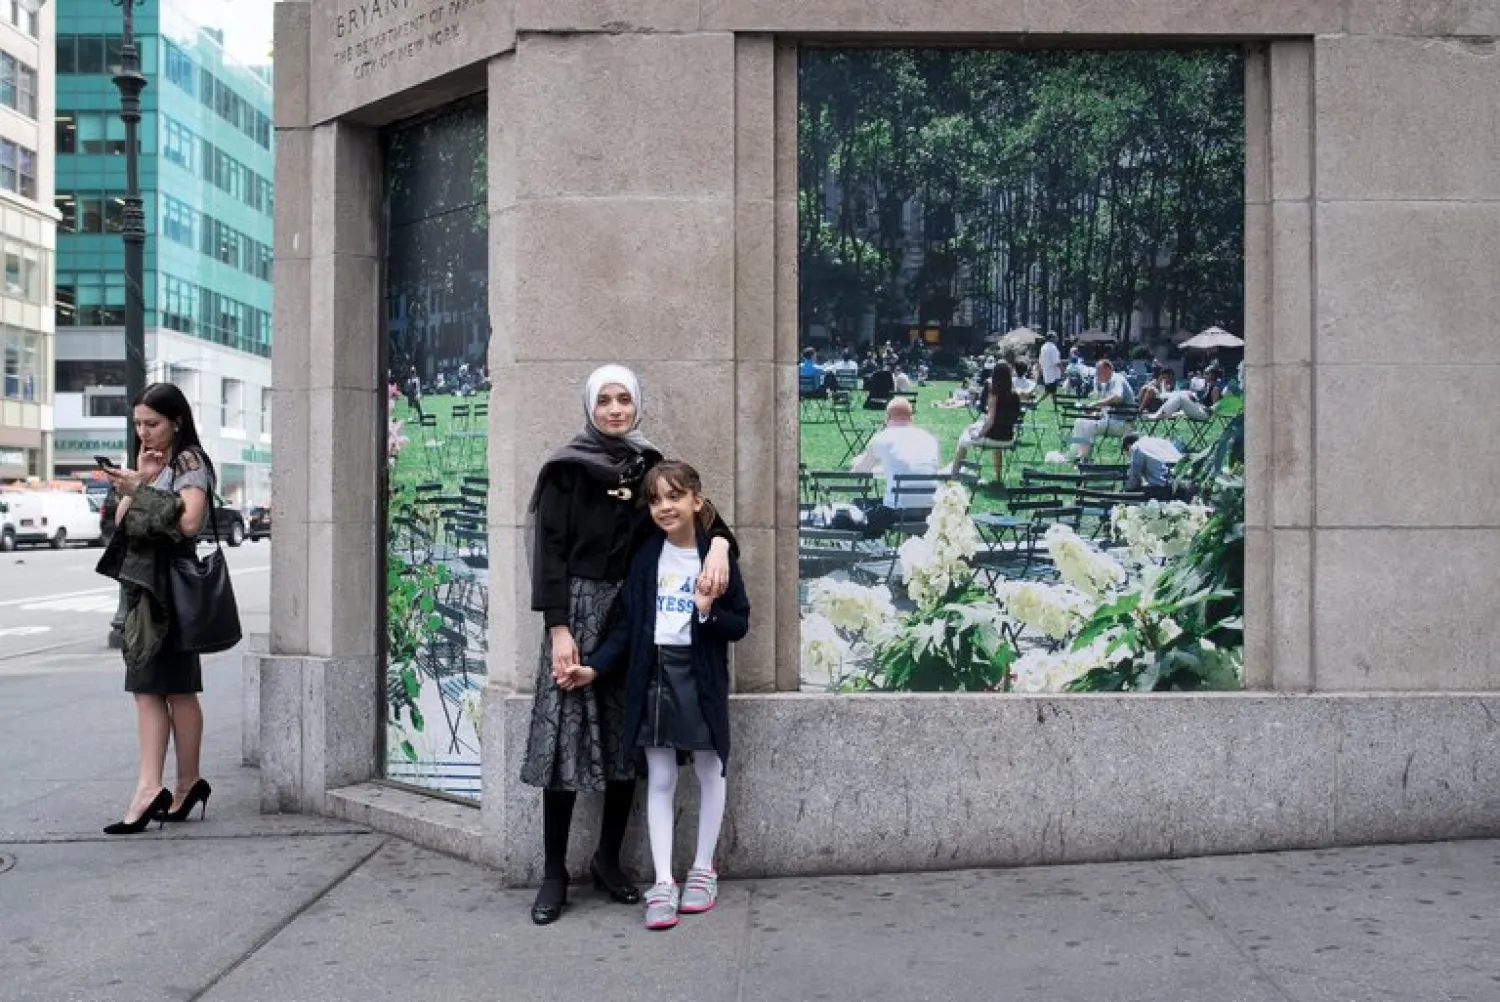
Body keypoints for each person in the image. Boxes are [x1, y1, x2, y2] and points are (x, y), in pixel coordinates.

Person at [522, 364, 736, 926]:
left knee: (626, 743)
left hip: (635, 618)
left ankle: (608, 861)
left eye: (624, 399)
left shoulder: (648, 464)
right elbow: (548, 556)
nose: (615, 410)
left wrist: (717, 550)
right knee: (566, 746)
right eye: (604, 401)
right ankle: (553, 873)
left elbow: (702, 517)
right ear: (590, 407)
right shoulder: (566, 470)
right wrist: (559, 628)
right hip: (579, 617)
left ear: (636, 404)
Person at [570, 461, 749, 931]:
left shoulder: (716, 555)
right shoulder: (648, 555)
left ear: (697, 500)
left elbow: (740, 623)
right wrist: (597, 666)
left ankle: (703, 870)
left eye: (674, 496)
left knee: (711, 767)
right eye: (655, 500)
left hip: (700, 676)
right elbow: (628, 624)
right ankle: (664, 881)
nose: (664, 507)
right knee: (661, 776)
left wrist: (707, 611)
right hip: (652, 675)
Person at [95, 383, 217, 835]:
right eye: (138, 424)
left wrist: (141, 490)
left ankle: (152, 790)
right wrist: (140, 481)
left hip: (166, 588)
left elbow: (189, 521)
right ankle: (186, 785)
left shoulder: (188, 461)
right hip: (149, 585)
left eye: (153, 424)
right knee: (171, 688)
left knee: (152, 687)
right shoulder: (156, 462)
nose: (144, 433)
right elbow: (125, 524)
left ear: (177, 421)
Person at [851, 396, 942, 533]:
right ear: (911, 417)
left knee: (859, 506)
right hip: (931, 509)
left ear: (887, 417)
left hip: (896, 512)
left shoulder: (881, 437)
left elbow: (860, 471)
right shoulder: (929, 438)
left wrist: (856, 461)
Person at [950, 362, 1022, 484]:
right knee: (994, 443)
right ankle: (998, 477)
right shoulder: (1015, 395)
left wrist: (979, 434)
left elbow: (990, 421)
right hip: (1008, 438)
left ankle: (954, 473)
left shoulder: (994, 394)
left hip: (992, 436)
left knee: (963, 438)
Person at [1069, 359, 1137, 461]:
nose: (1097, 375)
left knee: (1087, 425)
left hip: (1123, 423)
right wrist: (1095, 411)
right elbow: (1108, 406)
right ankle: (1075, 453)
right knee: (1080, 421)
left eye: (1099, 371)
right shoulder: (1108, 383)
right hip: (1112, 420)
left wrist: (1096, 404)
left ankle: (1084, 458)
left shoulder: (1117, 379)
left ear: (1108, 369)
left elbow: (1117, 397)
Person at [1122, 433, 1183, 499]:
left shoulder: (1137, 447)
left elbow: (1135, 477)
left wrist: (1125, 490)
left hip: (1162, 489)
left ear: (1128, 446)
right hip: (1181, 485)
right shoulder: (1158, 441)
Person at [1038, 333, 1063, 403]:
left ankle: (1055, 406)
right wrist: (1063, 370)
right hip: (1053, 373)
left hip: (1046, 372)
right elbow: (1056, 362)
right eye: (1055, 337)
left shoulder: (1043, 347)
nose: (1057, 338)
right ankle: (1036, 402)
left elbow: (1040, 361)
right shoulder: (1053, 348)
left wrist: (1040, 371)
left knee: (1053, 391)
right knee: (1048, 391)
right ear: (1051, 338)